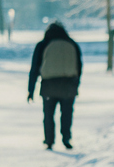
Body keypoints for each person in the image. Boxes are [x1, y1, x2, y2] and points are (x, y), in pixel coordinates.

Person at [28, 22, 82, 150]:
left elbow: (34, 68)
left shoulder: (43, 44)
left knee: (48, 115)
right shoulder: (72, 44)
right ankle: (66, 138)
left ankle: (49, 140)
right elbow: (79, 66)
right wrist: (76, 83)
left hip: (49, 86)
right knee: (67, 113)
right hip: (68, 85)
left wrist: (31, 90)